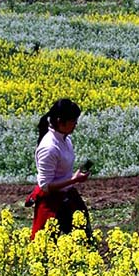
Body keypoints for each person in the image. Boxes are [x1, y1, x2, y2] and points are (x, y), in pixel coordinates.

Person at [27, 98, 91, 238]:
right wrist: (74, 180)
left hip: (67, 195)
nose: (76, 124)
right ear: (60, 121)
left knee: (83, 238)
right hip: (52, 204)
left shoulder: (65, 139)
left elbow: (61, 173)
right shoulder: (49, 147)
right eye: (73, 120)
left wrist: (75, 177)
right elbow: (46, 186)